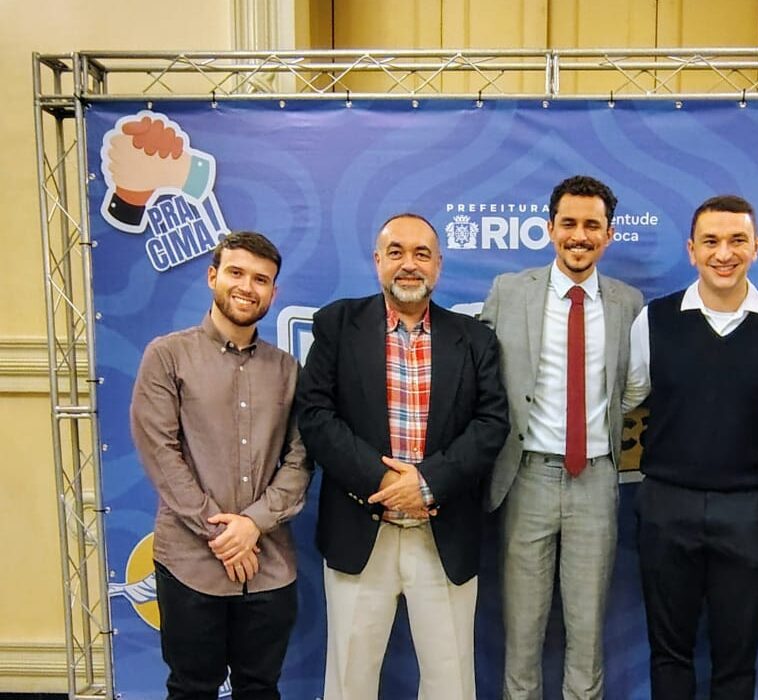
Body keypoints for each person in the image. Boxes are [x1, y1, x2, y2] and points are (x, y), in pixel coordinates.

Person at [296, 213, 510, 700]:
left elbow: (492, 423)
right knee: (350, 681)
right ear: (377, 262)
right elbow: (315, 415)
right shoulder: (337, 324)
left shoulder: (474, 338)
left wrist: (427, 483)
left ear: (438, 265)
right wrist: (386, 483)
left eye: (421, 254)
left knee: (450, 683)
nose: (408, 265)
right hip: (359, 528)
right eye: (396, 253)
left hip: (443, 534)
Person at [623, 195, 758, 699]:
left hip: (747, 511)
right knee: (670, 654)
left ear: (756, 246)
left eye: (737, 241)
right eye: (711, 241)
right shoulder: (654, 320)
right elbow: (626, 399)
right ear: (691, 250)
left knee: (737, 660)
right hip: (665, 505)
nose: (724, 253)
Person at [482, 175, 644, 700]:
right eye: (568, 223)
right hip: (525, 476)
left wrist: (594, 428)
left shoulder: (627, 302)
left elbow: (632, 387)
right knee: (522, 631)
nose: (579, 235)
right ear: (549, 228)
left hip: (596, 479)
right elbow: (480, 378)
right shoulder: (510, 291)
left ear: (608, 235)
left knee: (587, 630)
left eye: (592, 225)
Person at [130, 231, 311, 700]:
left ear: (274, 292)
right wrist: (224, 536)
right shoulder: (167, 356)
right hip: (190, 563)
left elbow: (301, 458)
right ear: (213, 276)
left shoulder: (288, 370)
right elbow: (160, 452)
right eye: (236, 273)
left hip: (269, 564)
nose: (247, 287)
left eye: (261, 279)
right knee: (192, 689)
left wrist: (252, 525)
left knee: (260, 688)